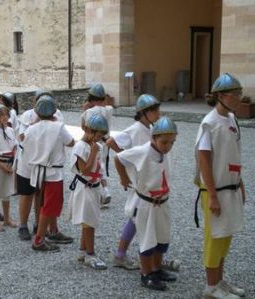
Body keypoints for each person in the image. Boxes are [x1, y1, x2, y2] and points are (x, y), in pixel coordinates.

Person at [195, 73, 246, 299]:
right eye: (236, 94)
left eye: (239, 94)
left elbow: (232, 155)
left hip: (230, 188)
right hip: (215, 191)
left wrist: (240, 183)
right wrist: (213, 195)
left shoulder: (231, 118)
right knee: (214, 238)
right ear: (222, 96)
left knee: (225, 236)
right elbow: (204, 159)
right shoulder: (209, 123)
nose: (239, 98)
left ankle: (219, 281)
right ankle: (210, 287)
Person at [115, 117, 178, 291]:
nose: (168, 146)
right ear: (153, 138)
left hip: (162, 203)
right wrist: (124, 178)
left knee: (162, 239)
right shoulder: (142, 151)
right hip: (146, 205)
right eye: (164, 142)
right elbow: (119, 158)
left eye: (171, 143)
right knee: (148, 240)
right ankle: (146, 274)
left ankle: (156, 269)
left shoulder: (165, 152)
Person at [106, 94, 161, 270]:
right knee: (136, 217)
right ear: (143, 113)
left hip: (149, 181)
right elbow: (110, 141)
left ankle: (150, 256)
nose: (157, 113)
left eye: (157, 109)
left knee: (143, 218)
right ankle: (120, 255)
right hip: (138, 182)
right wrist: (126, 162)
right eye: (153, 110)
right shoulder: (136, 129)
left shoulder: (152, 128)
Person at [21, 95, 75, 251]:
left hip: (37, 171)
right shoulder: (58, 126)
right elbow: (70, 142)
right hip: (53, 173)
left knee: (45, 203)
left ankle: (52, 230)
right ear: (53, 112)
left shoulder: (31, 128)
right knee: (49, 206)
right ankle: (39, 240)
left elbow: (25, 143)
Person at [16, 90, 64, 241]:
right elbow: (22, 137)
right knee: (27, 194)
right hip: (27, 162)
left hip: (44, 164)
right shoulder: (27, 115)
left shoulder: (58, 115)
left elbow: (59, 134)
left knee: (40, 195)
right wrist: (37, 124)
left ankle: (39, 225)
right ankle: (23, 226)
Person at [67, 114, 109, 269]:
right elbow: (84, 169)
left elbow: (99, 168)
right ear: (89, 131)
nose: (98, 139)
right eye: (97, 135)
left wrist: (104, 187)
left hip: (93, 187)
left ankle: (82, 251)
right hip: (84, 188)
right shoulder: (80, 147)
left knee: (89, 219)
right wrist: (92, 152)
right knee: (89, 222)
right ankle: (90, 255)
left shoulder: (95, 145)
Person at [81, 83, 114, 207]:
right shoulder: (109, 110)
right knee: (102, 164)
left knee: (94, 165)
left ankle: (101, 191)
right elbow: (107, 106)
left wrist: (85, 110)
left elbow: (84, 127)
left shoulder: (89, 112)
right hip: (105, 142)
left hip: (93, 142)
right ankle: (104, 190)